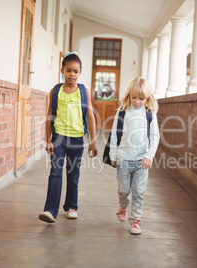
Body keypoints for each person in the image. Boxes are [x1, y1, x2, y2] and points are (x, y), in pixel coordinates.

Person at [39, 52, 97, 223]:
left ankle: (71, 206)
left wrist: (93, 142)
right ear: (62, 70)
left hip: (77, 139)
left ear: (80, 72)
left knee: (73, 173)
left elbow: (91, 115)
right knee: (55, 172)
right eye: (68, 70)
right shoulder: (55, 91)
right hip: (58, 139)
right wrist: (48, 140)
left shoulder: (83, 92)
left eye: (76, 71)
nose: (72, 74)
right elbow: (49, 115)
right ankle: (50, 210)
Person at [110, 77, 160, 235]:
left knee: (139, 191)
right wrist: (114, 154)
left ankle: (136, 220)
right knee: (123, 190)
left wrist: (149, 156)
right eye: (134, 97)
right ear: (129, 95)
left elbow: (154, 136)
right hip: (124, 159)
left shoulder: (149, 114)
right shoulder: (122, 111)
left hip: (141, 161)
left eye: (142, 98)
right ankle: (123, 206)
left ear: (148, 98)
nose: (137, 101)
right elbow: (113, 134)